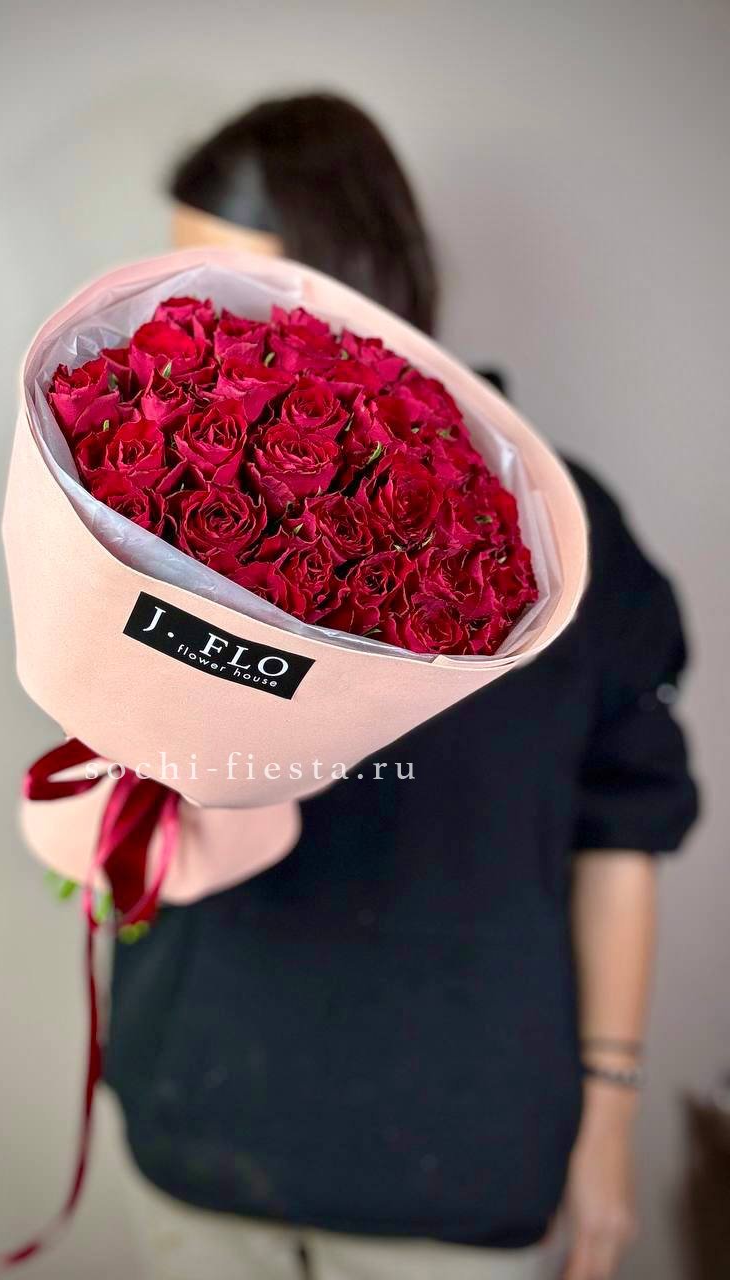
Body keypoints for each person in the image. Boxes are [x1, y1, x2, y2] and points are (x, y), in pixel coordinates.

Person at [104, 93, 699, 1280]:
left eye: (237, 287)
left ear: (360, 275)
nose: (197, 323)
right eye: (180, 288)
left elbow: (619, 831)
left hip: (456, 1159)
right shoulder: (157, 513)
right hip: (196, 1124)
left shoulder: (557, 531)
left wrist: (608, 1115)